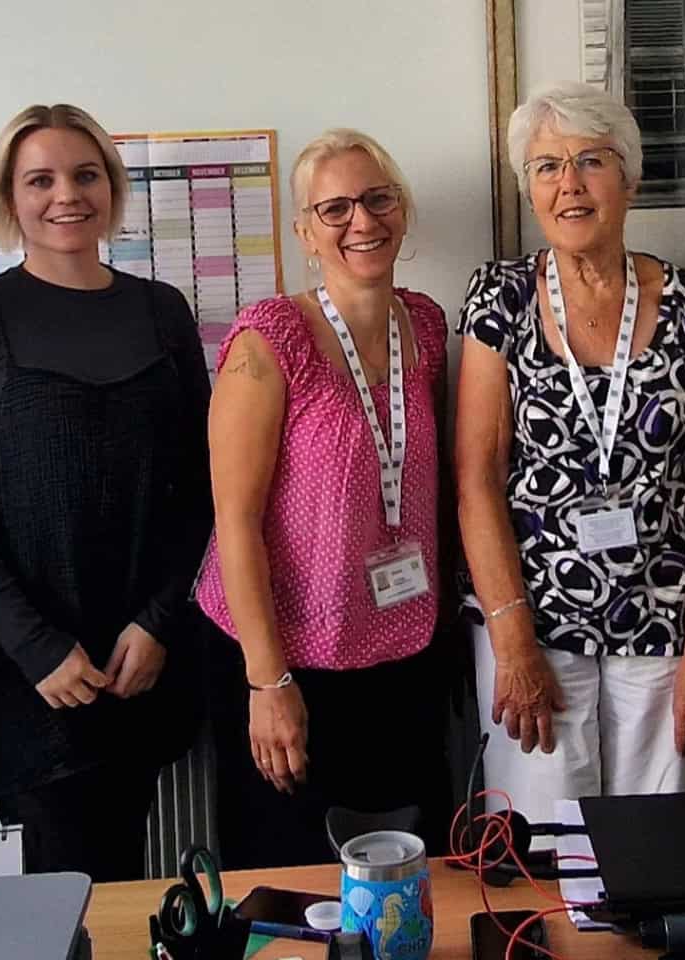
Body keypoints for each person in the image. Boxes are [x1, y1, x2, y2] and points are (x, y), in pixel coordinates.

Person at [0, 104, 212, 881]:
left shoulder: (161, 311)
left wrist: (159, 621)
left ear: (110, 187)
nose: (65, 195)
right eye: (39, 179)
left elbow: (201, 486)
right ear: (11, 201)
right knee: (59, 883)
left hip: (141, 656)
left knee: (121, 878)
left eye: (84, 175)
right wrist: (35, 647)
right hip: (25, 671)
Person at [454, 82, 685, 822]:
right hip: (534, 617)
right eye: (546, 167)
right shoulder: (500, 298)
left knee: (657, 843)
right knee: (548, 844)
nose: (569, 184)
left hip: (664, 618)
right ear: (528, 188)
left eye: (592, 160)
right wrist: (512, 637)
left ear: (631, 177)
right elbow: (477, 479)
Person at [196, 129, 452, 869]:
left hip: (402, 646)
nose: (362, 223)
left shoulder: (425, 326)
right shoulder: (268, 340)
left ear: (400, 211)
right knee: (291, 876)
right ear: (305, 232)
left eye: (377, 200)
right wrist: (268, 681)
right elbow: (235, 523)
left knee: (405, 867)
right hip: (286, 655)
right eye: (334, 209)